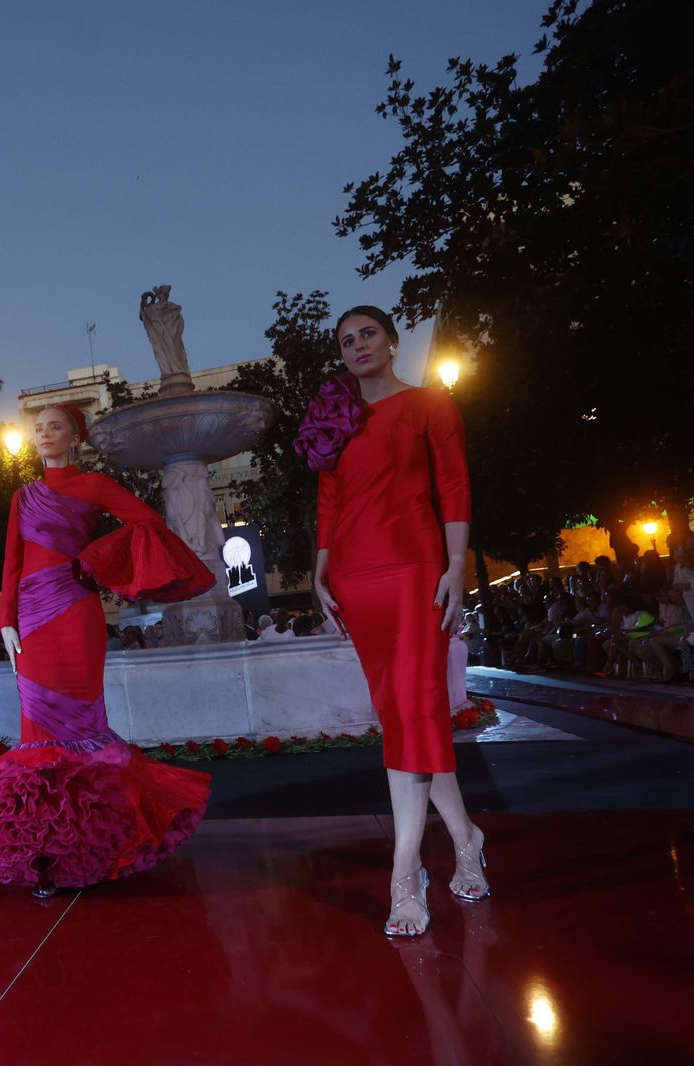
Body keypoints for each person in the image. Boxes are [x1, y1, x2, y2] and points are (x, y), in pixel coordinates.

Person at [0, 405, 214, 896]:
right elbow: (11, 564)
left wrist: (95, 560)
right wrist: (5, 622)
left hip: (76, 613)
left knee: (84, 730)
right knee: (37, 733)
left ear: (76, 438)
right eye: (38, 428)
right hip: (31, 621)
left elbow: (148, 522)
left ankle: (90, 850)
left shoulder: (94, 485)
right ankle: (42, 856)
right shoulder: (23, 496)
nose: (44, 434)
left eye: (55, 427)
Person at [301, 304, 485, 938]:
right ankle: (466, 837)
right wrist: (320, 570)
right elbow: (329, 499)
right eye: (346, 341)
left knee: (412, 708)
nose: (358, 346)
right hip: (355, 577)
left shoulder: (430, 404)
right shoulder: (336, 415)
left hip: (414, 567)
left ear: (393, 341)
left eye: (368, 334)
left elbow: (454, 486)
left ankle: (405, 873)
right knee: (402, 715)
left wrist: (456, 563)